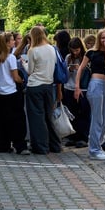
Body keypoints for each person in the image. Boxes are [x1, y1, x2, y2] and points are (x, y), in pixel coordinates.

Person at [74, 29, 105, 160]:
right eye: (103, 38)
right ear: (98, 39)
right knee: (97, 118)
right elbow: (81, 68)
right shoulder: (91, 53)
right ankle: (94, 150)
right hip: (95, 84)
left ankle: (98, 144)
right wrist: (77, 86)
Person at [0, 32, 28, 155]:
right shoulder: (10, 57)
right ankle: (20, 145)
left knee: (1, 120)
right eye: (11, 40)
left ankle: (3, 145)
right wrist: (22, 81)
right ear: (7, 43)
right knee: (17, 120)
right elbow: (15, 76)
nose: (14, 42)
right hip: (11, 91)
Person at [25, 25, 60, 155]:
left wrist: (24, 64)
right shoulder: (52, 49)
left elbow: (30, 71)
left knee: (36, 118)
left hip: (35, 86)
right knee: (48, 116)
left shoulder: (33, 50)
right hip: (48, 85)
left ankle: (40, 146)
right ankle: (55, 145)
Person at [62, 37, 89, 148]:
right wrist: (70, 69)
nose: (75, 52)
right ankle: (73, 136)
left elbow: (87, 75)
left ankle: (83, 137)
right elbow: (65, 76)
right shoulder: (68, 58)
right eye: (73, 50)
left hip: (82, 89)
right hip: (69, 88)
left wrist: (81, 69)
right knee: (71, 114)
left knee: (82, 114)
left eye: (77, 50)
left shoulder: (86, 57)